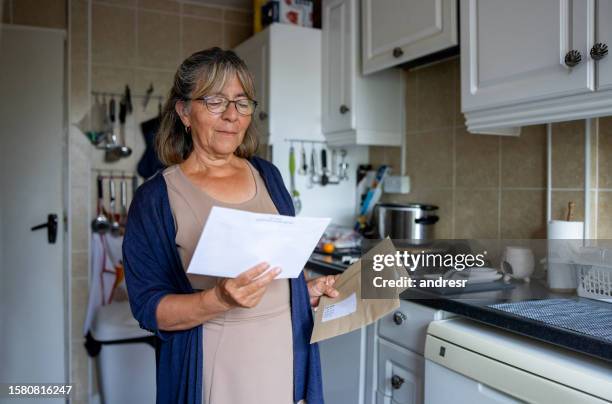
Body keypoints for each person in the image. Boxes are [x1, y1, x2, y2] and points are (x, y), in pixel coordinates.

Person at [123, 47, 339, 404]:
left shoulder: (268, 175)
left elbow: (273, 268)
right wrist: (219, 298)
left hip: (285, 363)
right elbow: (149, 308)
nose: (231, 116)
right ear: (184, 111)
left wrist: (303, 291)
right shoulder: (156, 198)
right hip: (215, 371)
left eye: (242, 102)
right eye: (214, 101)